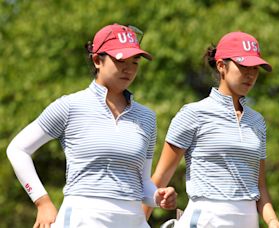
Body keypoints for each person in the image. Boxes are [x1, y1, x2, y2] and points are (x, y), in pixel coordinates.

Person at [6, 23, 177, 228]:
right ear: (97, 60)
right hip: (83, 218)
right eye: (120, 60)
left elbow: (143, 184)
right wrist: (42, 202)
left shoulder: (147, 117)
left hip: (132, 220)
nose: (129, 69)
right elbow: (17, 149)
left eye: (135, 62)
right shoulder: (70, 106)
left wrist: (158, 197)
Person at [144, 31, 279, 228]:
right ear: (221, 66)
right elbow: (159, 178)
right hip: (206, 219)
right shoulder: (193, 114)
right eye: (243, 66)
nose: (251, 74)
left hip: (248, 221)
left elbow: (259, 187)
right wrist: (137, 222)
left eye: (256, 68)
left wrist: (272, 220)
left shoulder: (257, 121)